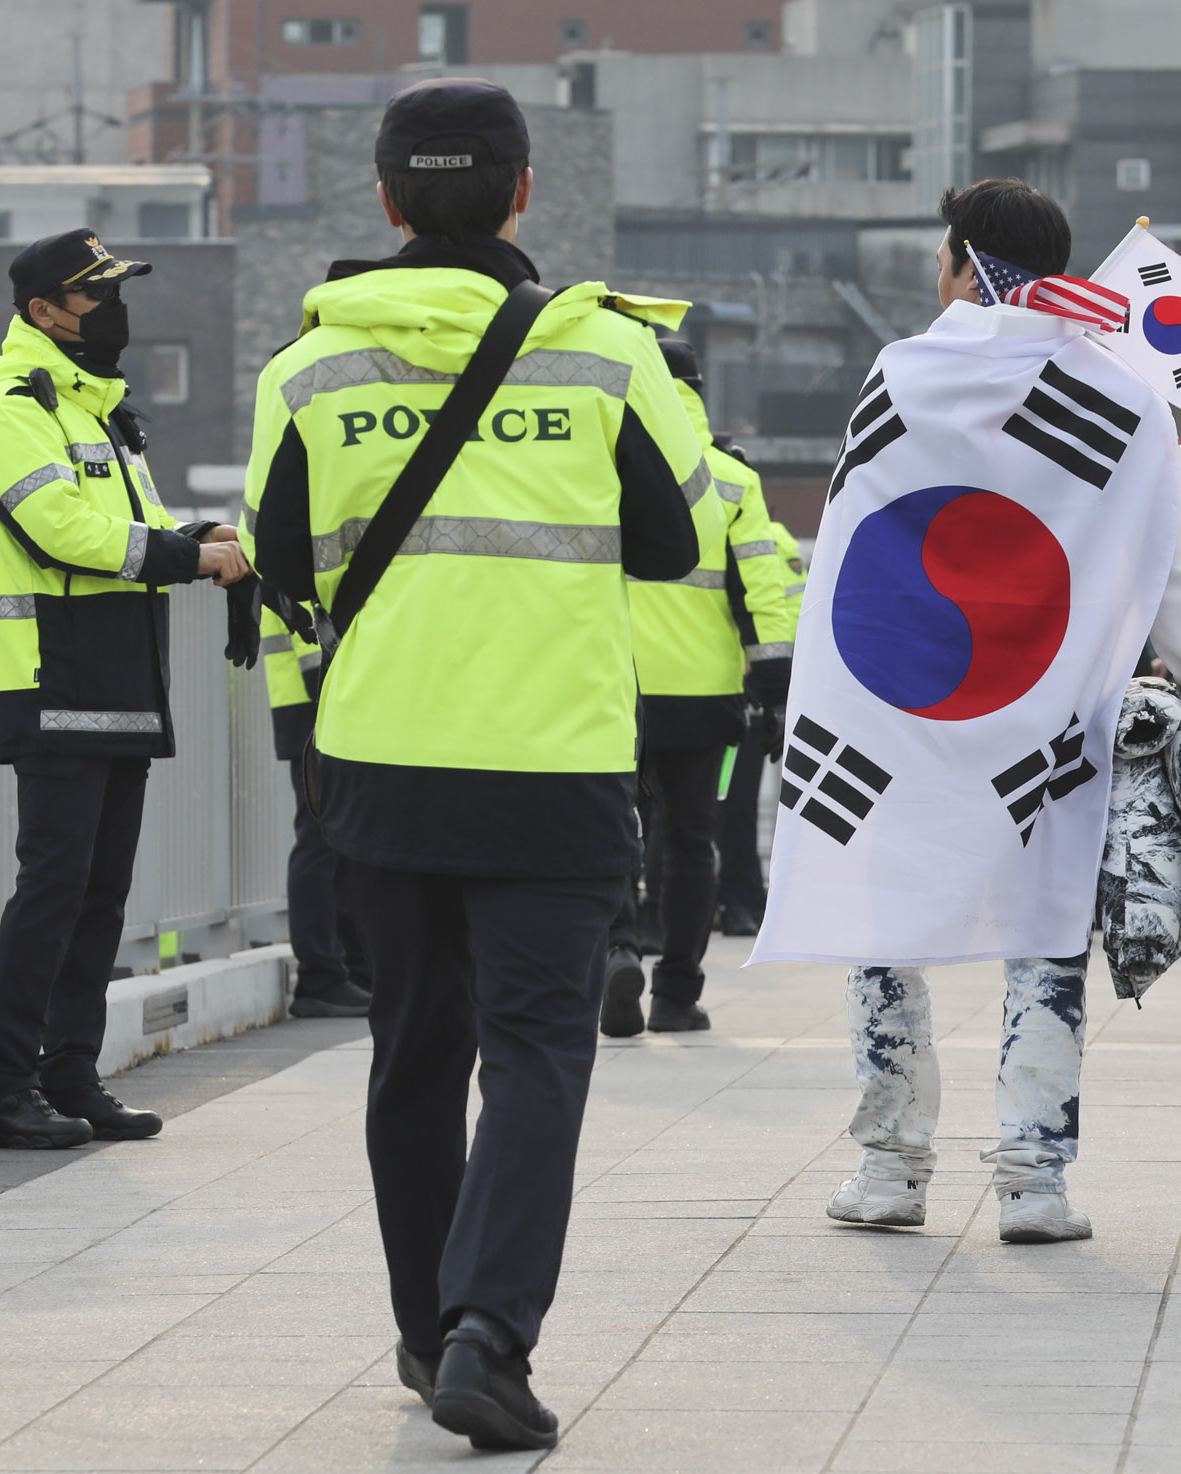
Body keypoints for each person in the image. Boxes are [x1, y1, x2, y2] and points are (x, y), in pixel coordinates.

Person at [241, 79, 703, 1451]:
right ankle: (491, 1336)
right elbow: (674, 547)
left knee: (414, 1048)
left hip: (378, 761)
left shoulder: (306, 366)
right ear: (521, 195)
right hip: (551, 765)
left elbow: (275, 566)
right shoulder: (607, 357)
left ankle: (428, 1326)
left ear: (384, 201)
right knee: (539, 1051)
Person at [803, 180, 1181, 1244]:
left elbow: (852, 545)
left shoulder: (901, 374)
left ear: (958, 261)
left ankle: (890, 1165)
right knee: (1044, 934)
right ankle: (1033, 1179)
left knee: (883, 925)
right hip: (1053, 712)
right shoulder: (1123, 394)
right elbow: (1180, 564)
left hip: (898, 708)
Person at [0, 230, 250, 1151]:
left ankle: (69, 1075)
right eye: (95, 296)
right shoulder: (14, 407)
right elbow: (61, 531)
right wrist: (182, 555)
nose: (112, 311)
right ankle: (2, 1090)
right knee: (51, 888)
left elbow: (139, 524)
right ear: (43, 311)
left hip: (119, 673)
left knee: (99, 892)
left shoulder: (98, 412)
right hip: (52, 677)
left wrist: (208, 537)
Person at [600, 338, 793, 1037]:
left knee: (615, 830)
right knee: (691, 841)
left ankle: (618, 949)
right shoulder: (733, 481)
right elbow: (762, 597)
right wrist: (773, 692)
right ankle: (676, 994)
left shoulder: (601, 469)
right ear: (698, 392)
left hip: (609, 687)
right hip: (705, 696)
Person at [258, 603, 371, 1017]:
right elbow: (312, 635)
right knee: (321, 840)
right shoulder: (303, 542)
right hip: (319, 699)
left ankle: (350, 970)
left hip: (319, 699)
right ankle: (321, 977)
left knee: (341, 842)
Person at [715, 510, 804, 936]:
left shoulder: (771, 540)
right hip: (741, 689)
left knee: (730, 805)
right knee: (732, 806)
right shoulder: (773, 541)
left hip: (736, 689)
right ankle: (740, 898)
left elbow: (787, 614)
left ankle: (739, 898)